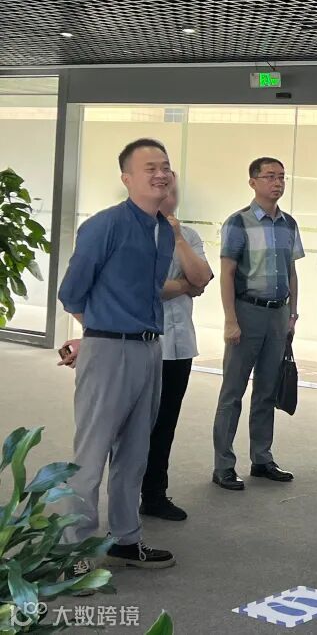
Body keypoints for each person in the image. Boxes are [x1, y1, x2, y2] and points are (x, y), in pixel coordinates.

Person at [57, 138, 178, 575]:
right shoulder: (104, 226)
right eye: (150, 168)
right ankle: (72, 553)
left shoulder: (164, 230)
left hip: (150, 349)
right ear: (126, 178)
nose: (160, 174)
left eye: (165, 167)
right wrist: (100, 331)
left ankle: (126, 539)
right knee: (90, 457)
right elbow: (71, 292)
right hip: (109, 350)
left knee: (135, 453)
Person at [212, 157, 304, 491]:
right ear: (253, 182)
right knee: (232, 392)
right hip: (246, 311)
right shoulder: (238, 222)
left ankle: (262, 459)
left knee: (267, 390)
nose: (277, 182)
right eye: (270, 176)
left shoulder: (289, 224)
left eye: (282, 177)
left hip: (278, 314)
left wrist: (292, 313)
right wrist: (230, 320)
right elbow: (227, 272)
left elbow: (291, 271)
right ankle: (223, 465)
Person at [141, 177, 214, 521]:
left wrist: (178, 237)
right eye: (162, 188)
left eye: (173, 191)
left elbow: (203, 276)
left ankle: (154, 494)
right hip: (141, 342)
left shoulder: (189, 235)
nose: (168, 196)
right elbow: (143, 287)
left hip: (179, 344)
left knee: (165, 423)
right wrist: (184, 285)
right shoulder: (134, 232)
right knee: (137, 425)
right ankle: (125, 496)